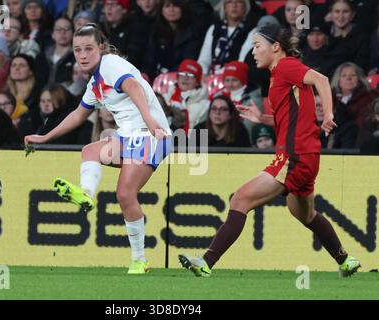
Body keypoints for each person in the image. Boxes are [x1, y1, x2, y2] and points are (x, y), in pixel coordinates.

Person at [178, 25, 361, 277]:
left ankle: (206, 262)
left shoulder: (286, 66)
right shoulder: (279, 75)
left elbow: (322, 79)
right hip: (306, 155)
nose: (253, 52)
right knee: (305, 214)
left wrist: (328, 113)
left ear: (275, 46)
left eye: (257, 45)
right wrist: (262, 118)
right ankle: (345, 260)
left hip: (294, 155)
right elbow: (289, 117)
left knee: (240, 199)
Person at [24, 23, 172, 274]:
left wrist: (148, 119)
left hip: (151, 135)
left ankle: (139, 260)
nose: (82, 55)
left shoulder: (111, 64)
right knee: (90, 151)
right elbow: (79, 115)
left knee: (125, 194)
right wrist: (45, 136)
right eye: (77, 50)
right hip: (129, 137)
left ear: (101, 48)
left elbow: (134, 87)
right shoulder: (96, 82)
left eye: (88, 49)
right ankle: (86, 195)